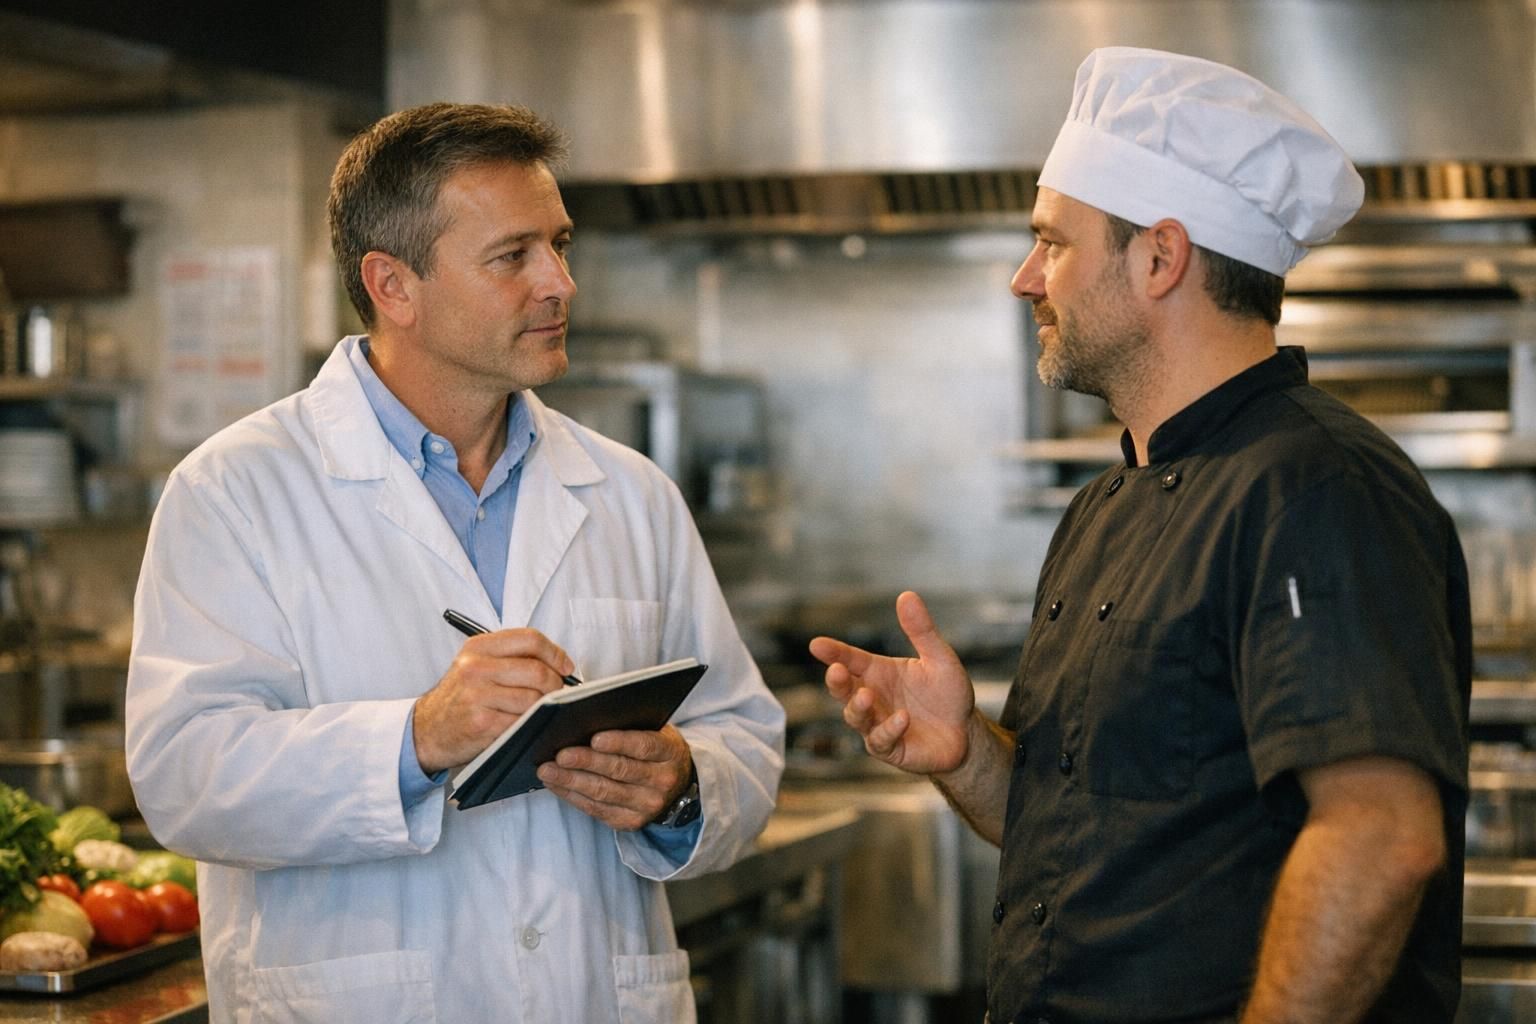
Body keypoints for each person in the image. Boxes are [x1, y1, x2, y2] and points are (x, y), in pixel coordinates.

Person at [811, 47, 1470, 1024]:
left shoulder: (1313, 486)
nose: (1024, 279)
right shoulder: (1104, 506)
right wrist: (967, 758)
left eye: (1053, 243)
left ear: (1161, 257)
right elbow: (1091, 835)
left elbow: (1381, 836)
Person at [125, 102, 784, 1024]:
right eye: (513, 256)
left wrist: (679, 784)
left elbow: (745, 738)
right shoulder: (237, 490)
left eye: (559, 244)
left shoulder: (630, 493)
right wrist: (418, 735)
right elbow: (185, 778)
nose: (561, 283)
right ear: (393, 284)